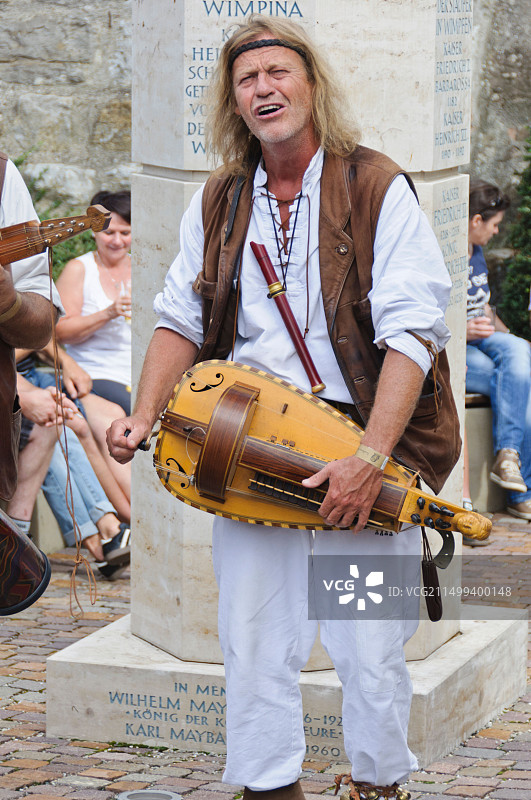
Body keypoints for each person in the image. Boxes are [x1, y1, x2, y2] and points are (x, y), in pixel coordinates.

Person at [108, 17, 459, 800]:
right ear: (233, 103)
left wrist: (368, 462)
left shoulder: (374, 185)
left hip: (360, 445)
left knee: (368, 643)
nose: (264, 88)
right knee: (255, 637)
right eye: (246, 79)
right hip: (249, 454)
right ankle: (267, 787)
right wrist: (142, 412)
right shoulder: (224, 197)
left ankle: (376, 784)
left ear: (311, 85)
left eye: (277, 72)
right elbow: (179, 318)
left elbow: (412, 334)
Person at [8, 345, 131, 579]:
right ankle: (104, 533)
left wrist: (64, 362)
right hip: (18, 383)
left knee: (63, 417)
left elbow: (39, 335)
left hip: (26, 379)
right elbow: (33, 337)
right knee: (51, 422)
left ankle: (105, 532)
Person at [56, 190, 132, 501]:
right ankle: (133, 516)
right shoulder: (80, 269)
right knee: (120, 423)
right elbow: (58, 330)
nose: (117, 241)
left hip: (133, 372)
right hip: (95, 374)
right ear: (94, 231)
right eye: (109, 232)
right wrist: (108, 313)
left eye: (125, 233)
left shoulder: (143, 266)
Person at [466, 179, 531, 520]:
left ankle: (509, 463)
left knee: (520, 363)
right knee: (515, 387)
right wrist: (462, 330)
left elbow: (487, 310)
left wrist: (519, 345)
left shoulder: (475, 252)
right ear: (476, 221)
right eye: (494, 226)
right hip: (455, 351)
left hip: (485, 340)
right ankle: (520, 493)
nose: (495, 233)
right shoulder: (446, 255)